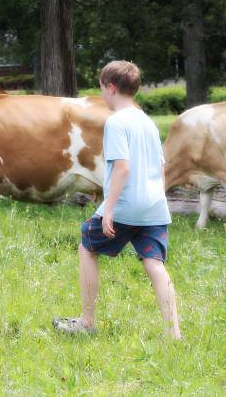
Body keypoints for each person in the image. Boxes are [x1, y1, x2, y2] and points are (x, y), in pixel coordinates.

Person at [53, 60, 182, 339]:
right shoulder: (146, 121)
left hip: (125, 205)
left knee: (87, 246)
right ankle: (174, 333)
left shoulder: (116, 122)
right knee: (154, 263)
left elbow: (122, 168)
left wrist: (108, 210)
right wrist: (156, 199)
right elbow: (161, 167)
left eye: (102, 89)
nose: (102, 95)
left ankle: (86, 322)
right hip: (154, 205)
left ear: (111, 87)